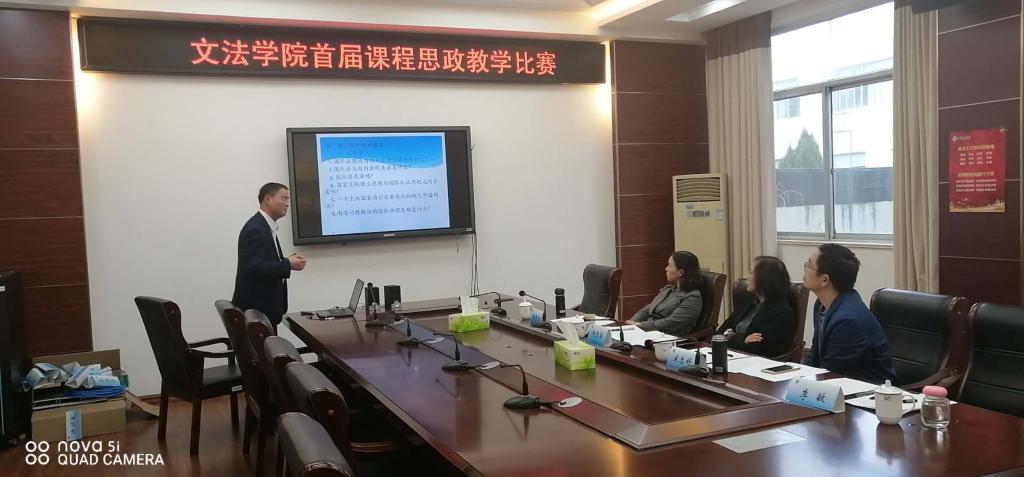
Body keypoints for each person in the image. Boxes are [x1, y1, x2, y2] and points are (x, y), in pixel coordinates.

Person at [802, 244, 895, 384]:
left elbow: (833, 373)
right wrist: (799, 378)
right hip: (837, 383)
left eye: (809, 265)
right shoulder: (821, 305)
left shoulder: (848, 320)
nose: (804, 268)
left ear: (825, 280)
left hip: (869, 390)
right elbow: (815, 353)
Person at [232, 183, 307, 327]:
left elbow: (262, 261)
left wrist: (285, 261)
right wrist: (287, 264)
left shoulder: (264, 226)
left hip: (263, 311)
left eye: (288, 200)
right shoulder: (256, 229)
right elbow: (253, 268)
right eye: (284, 198)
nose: (287, 204)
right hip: (256, 312)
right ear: (268, 199)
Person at [717, 256, 795, 357]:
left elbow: (756, 348)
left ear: (765, 278)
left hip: (756, 362)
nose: (746, 276)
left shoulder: (781, 312)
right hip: (731, 355)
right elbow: (719, 333)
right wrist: (742, 339)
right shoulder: (749, 300)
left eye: (751, 273)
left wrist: (730, 336)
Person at [624, 251, 703, 336]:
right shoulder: (668, 289)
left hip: (667, 337)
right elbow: (647, 310)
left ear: (681, 272)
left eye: (670, 266)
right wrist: (630, 324)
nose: (666, 268)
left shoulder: (692, 297)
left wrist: (639, 325)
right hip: (649, 331)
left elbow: (672, 323)